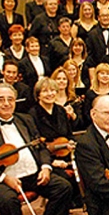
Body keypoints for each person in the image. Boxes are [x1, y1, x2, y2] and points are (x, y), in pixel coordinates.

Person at [0, 83, 72, 215]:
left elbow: (40, 146)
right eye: (1, 99)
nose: (7, 104)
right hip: (1, 180)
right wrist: (4, 178)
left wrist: (45, 167)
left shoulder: (25, 120)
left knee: (63, 188)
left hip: (32, 174)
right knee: (8, 201)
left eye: (10, 99)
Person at [28, 78, 81, 208]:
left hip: (65, 153)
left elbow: (68, 134)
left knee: (85, 169)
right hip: (45, 159)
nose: (50, 94)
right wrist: (52, 162)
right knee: (65, 180)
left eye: (52, 90)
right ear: (38, 94)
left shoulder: (61, 111)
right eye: (45, 91)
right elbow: (35, 145)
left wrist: (70, 144)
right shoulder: (32, 115)